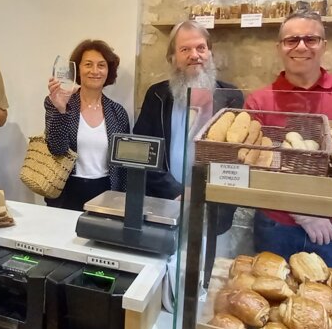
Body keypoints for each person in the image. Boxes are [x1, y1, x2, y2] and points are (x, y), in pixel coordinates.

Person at [244, 10, 332, 267]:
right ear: (279, 48)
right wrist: (302, 212)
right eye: (291, 40)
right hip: (276, 222)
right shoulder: (259, 101)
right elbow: (255, 166)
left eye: (311, 39)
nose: (301, 46)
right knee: (272, 297)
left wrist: (323, 211)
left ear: (324, 46)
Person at [134, 20, 243, 200]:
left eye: (201, 48)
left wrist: (204, 192)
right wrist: (176, 192)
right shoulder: (156, 96)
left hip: (212, 204)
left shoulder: (231, 97)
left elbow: (234, 159)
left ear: (210, 53)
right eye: (185, 49)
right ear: (173, 58)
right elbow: (142, 151)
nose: (194, 55)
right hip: (165, 201)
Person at [44, 40, 131, 211]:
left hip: (106, 191)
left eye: (101, 65)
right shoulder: (59, 101)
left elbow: (124, 166)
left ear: (108, 71)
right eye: (88, 64)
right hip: (67, 191)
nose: (95, 71)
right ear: (77, 69)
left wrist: (124, 200)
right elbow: (57, 149)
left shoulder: (118, 112)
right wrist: (61, 110)